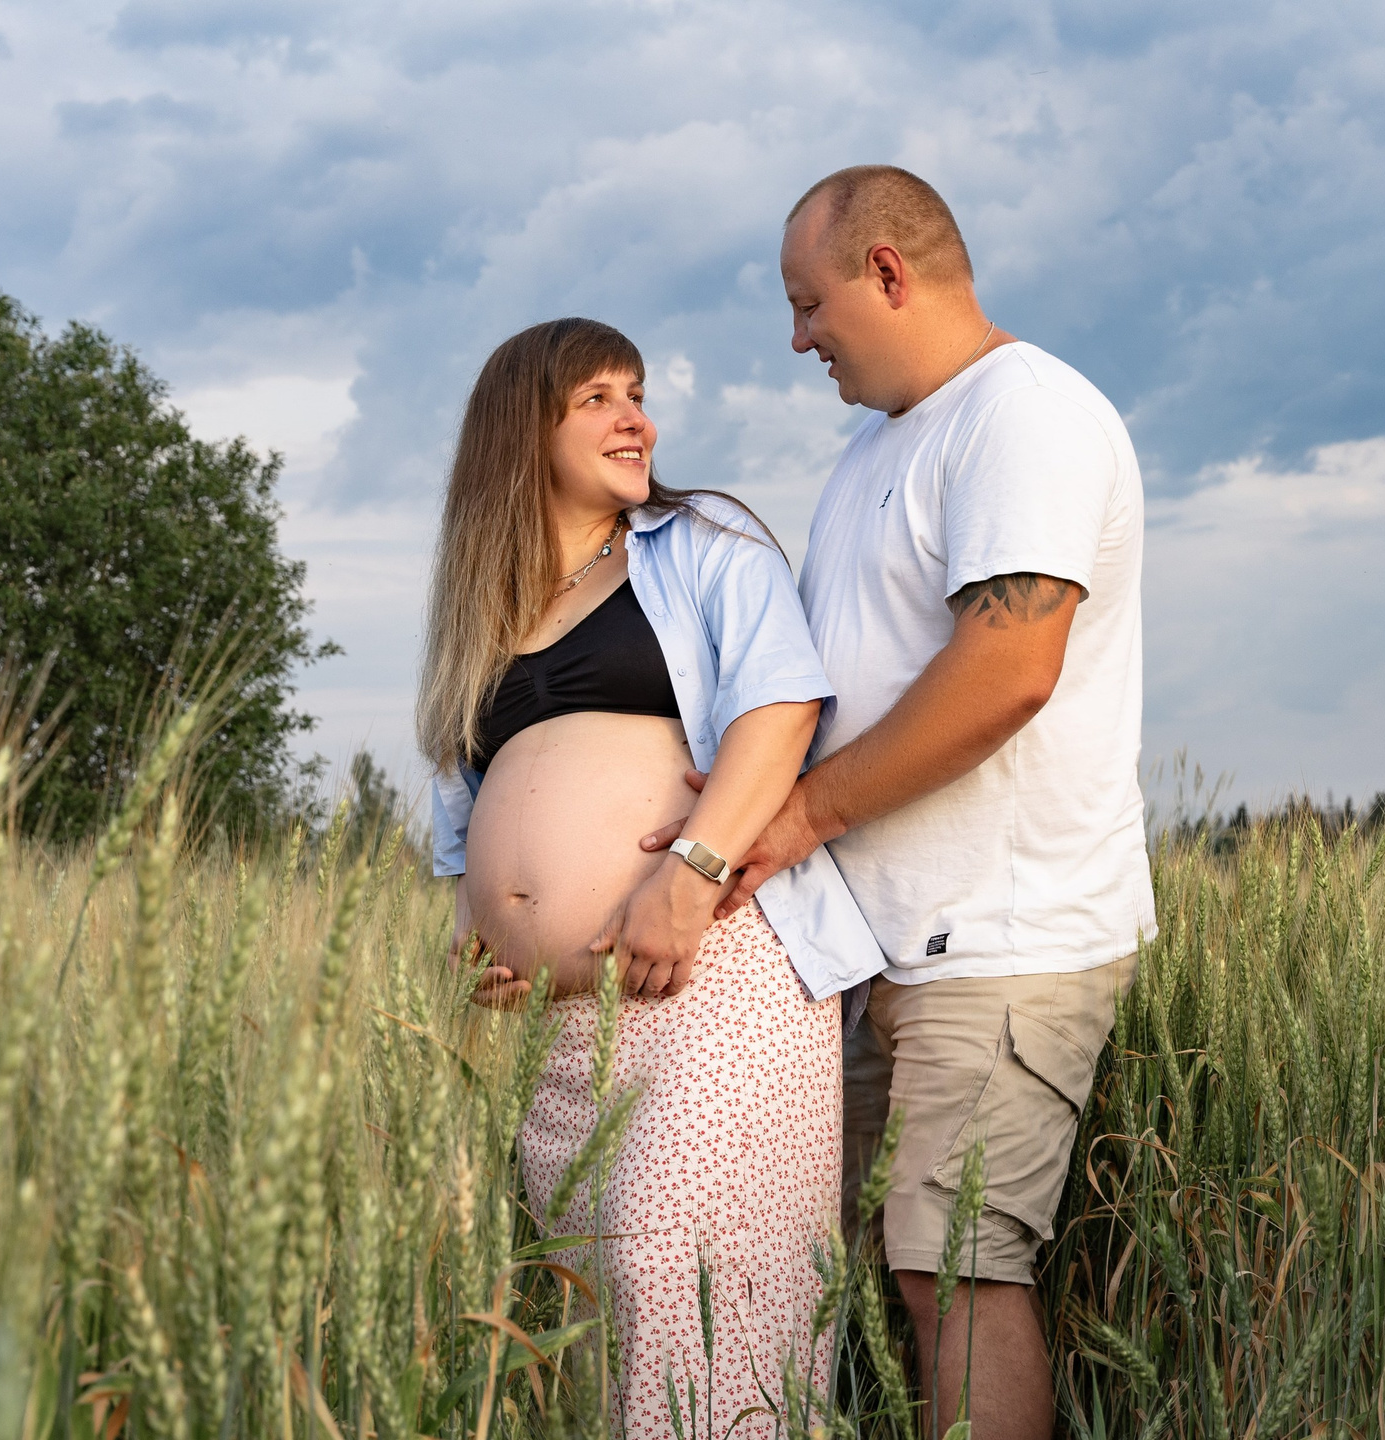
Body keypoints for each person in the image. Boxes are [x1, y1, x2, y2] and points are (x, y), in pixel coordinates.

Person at [643, 166, 1152, 1439]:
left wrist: (802, 814)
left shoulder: (1022, 415)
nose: (797, 336)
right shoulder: (883, 448)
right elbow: (843, 680)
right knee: (857, 1276)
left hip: (999, 939)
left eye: (808, 301)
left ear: (885, 271)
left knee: (955, 1271)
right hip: (876, 948)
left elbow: (1008, 666)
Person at [422, 318, 885, 1439]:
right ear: (519, 428)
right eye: (598, 397)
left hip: (706, 984)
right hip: (561, 1031)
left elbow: (783, 710)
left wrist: (688, 875)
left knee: (697, 1316)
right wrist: (483, 932)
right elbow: (464, 814)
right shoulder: (485, 612)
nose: (639, 419)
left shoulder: (702, 548)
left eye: (638, 393)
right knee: (607, 1337)